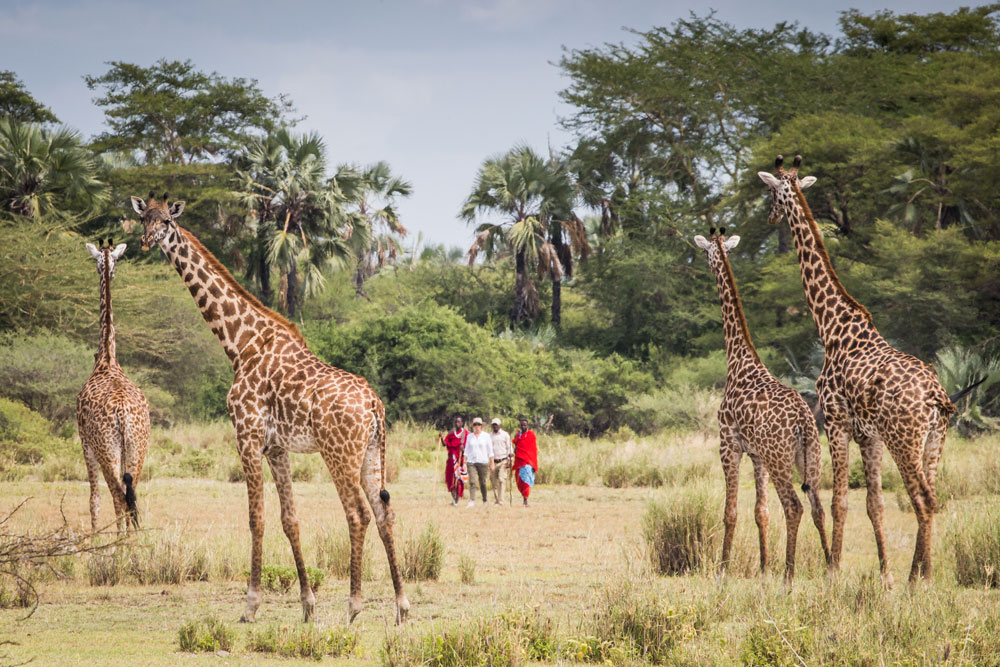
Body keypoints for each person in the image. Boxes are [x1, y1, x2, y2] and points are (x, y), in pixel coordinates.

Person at [463, 417, 495, 507]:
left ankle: (484, 499)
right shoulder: (470, 436)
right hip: (471, 461)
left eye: (479, 425)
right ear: (473, 426)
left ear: (481, 426)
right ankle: (472, 500)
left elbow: (490, 451)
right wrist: (464, 462)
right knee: (472, 481)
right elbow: (466, 450)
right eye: (475, 424)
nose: (477, 426)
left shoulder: (486, 436)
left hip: (483, 461)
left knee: (483, 482)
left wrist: (492, 462)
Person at [439, 417, 468, 506]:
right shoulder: (451, 433)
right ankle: (453, 498)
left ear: (462, 423)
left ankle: (456, 501)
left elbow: (469, 446)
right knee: (450, 479)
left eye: (459, 422)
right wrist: (441, 438)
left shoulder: (466, 433)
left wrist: (464, 449)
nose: (457, 423)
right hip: (451, 460)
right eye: (455, 422)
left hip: (460, 460)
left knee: (458, 480)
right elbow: (445, 444)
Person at [512, 417, 538, 507]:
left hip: (528, 462)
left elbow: (533, 450)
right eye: (522, 425)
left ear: (528, 426)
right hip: (519, 462)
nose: (523, 426)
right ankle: (524, 498)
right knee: (519, 482)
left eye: (525, 425)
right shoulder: (518, 435)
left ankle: (525, 501)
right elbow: (516, 446)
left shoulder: (531, 435)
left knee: (526, 482)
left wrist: (534, 464)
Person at [489, 418, 513, 505]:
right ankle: (497, 500)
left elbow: (509, 448)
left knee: (501, 479)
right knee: (493, 480)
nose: (495, 426)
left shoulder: (505, 435)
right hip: (493, 461)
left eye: (496, 424)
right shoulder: (489, 436)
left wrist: (510, 460)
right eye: (493, 425)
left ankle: (501, 501)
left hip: (503, 460)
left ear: (500, 425)